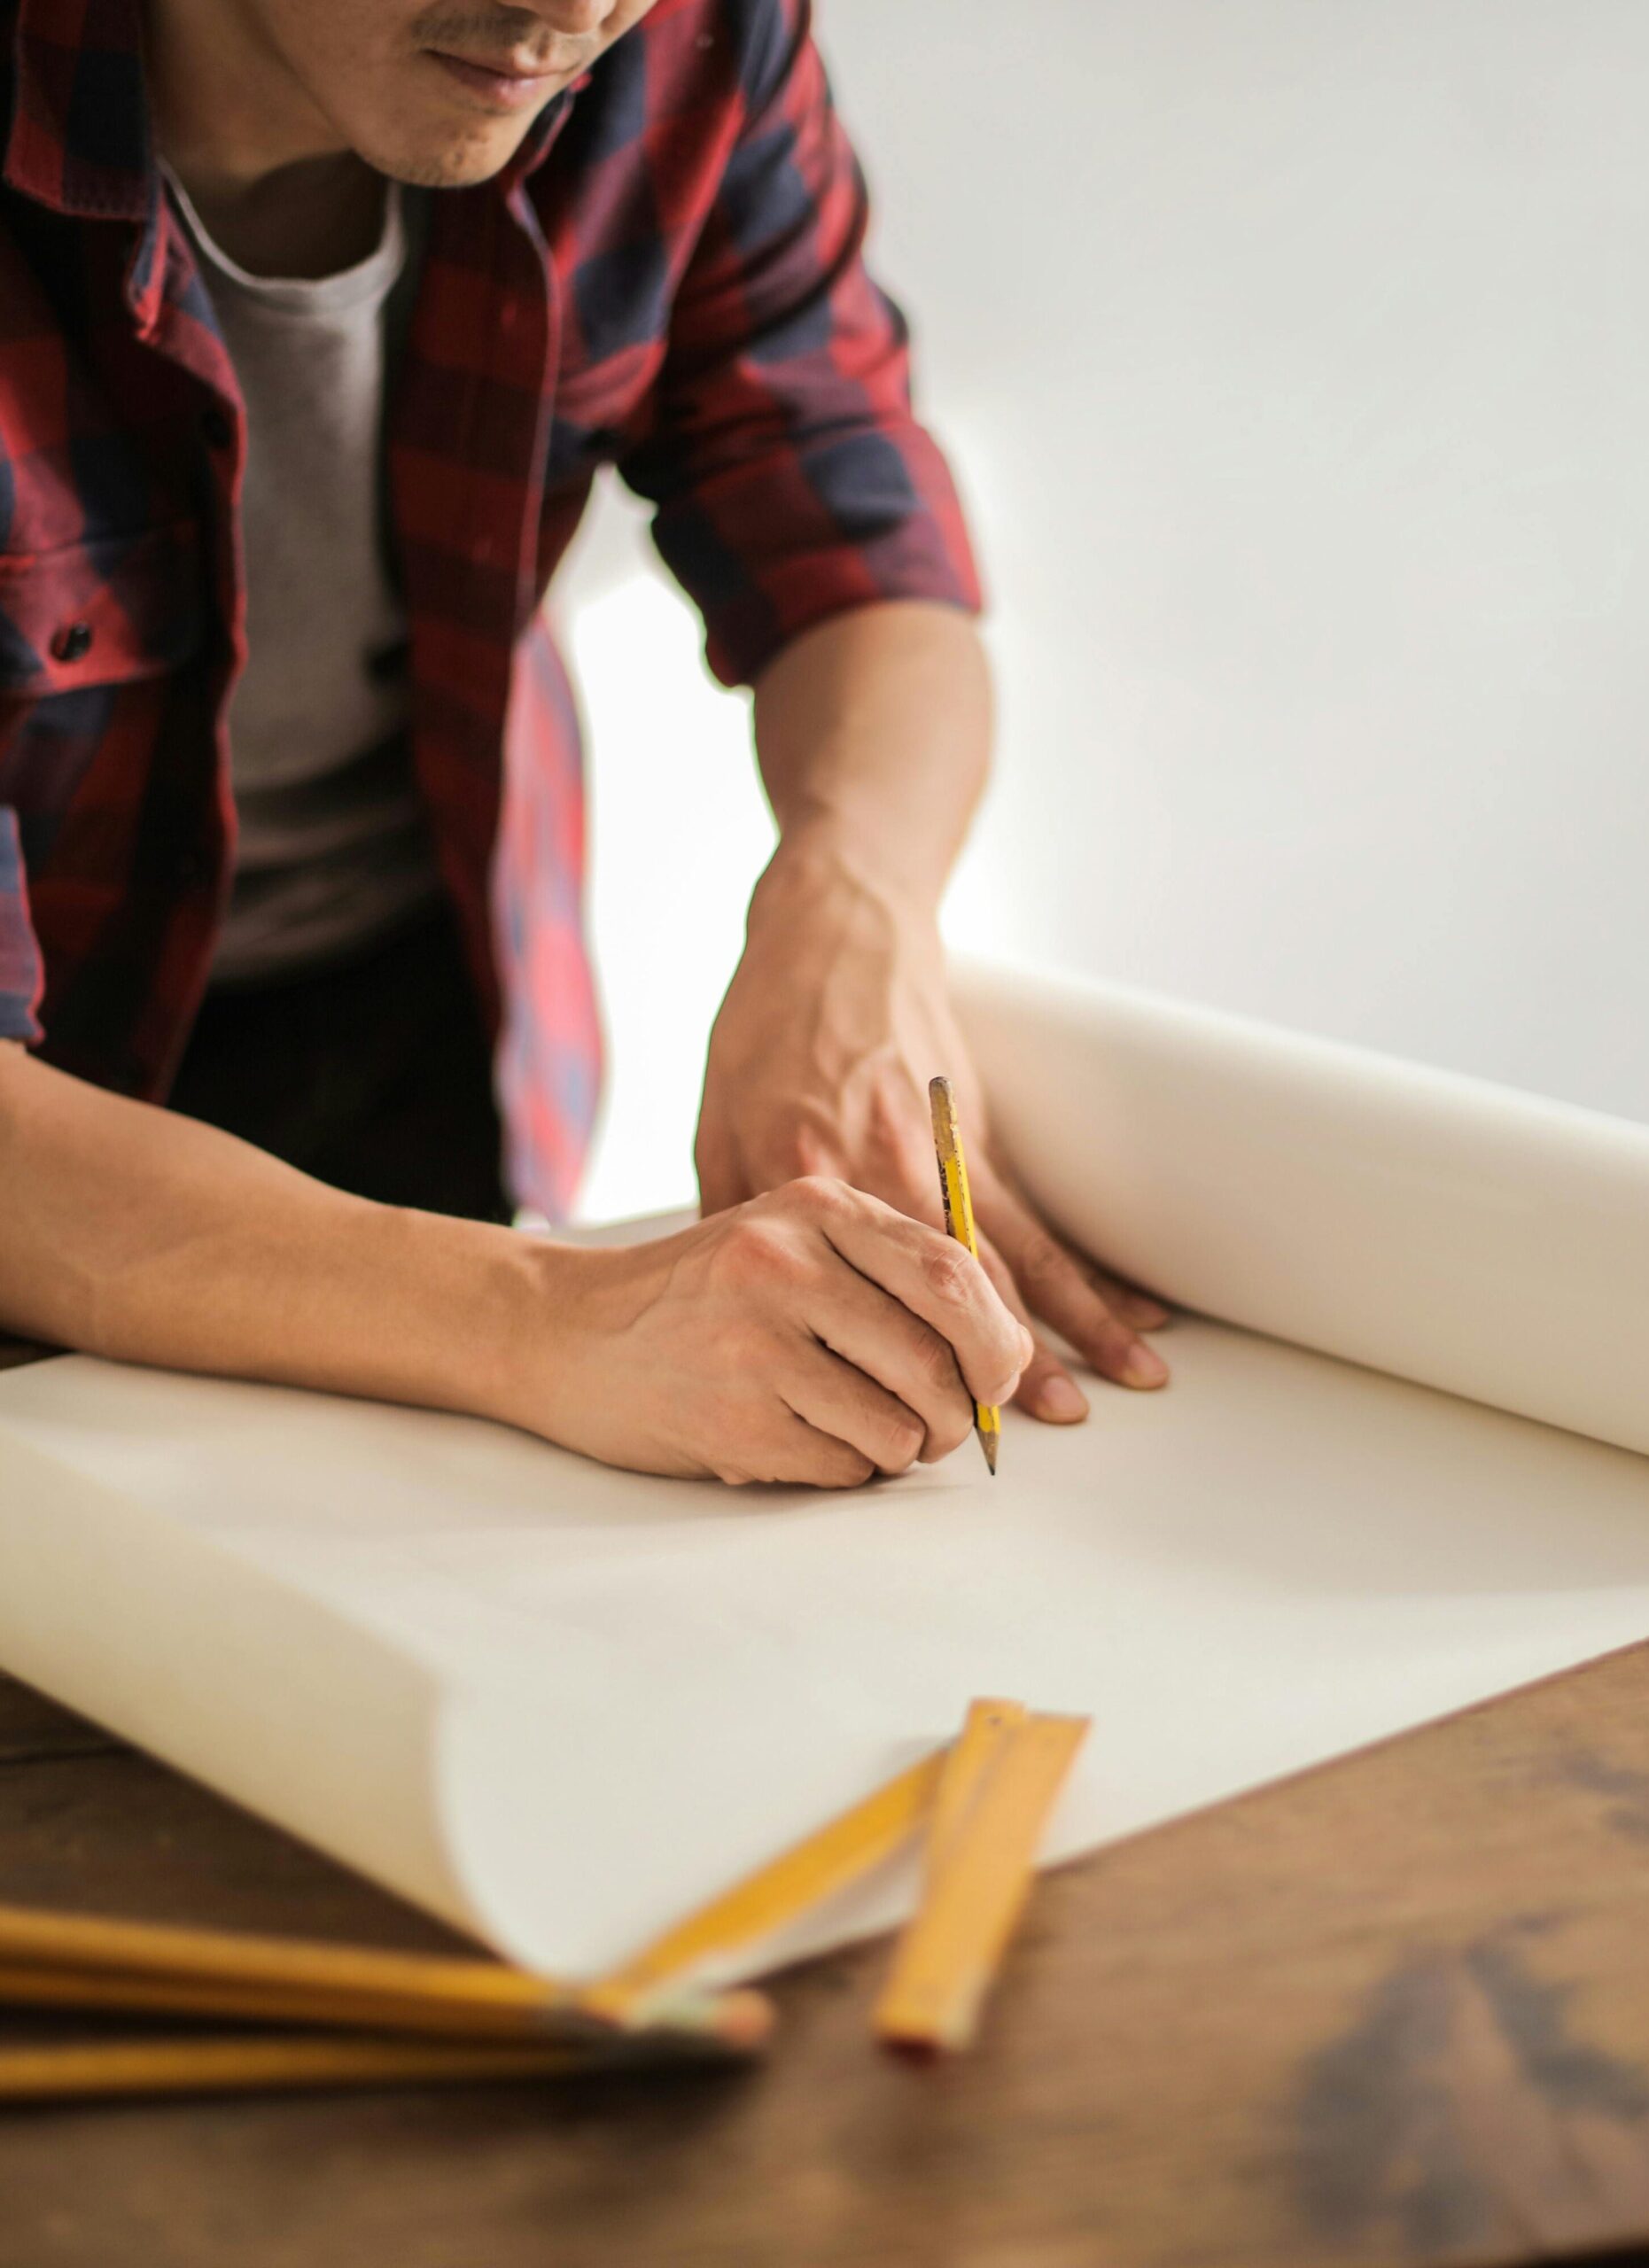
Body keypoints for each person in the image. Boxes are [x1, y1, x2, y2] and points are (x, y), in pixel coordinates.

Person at [0, 0, 1168, 1486]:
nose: (573, 13)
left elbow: (843, 516)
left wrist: (848, 903)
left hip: (420, 1009)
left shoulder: (686, 41)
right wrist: (553, 1321)